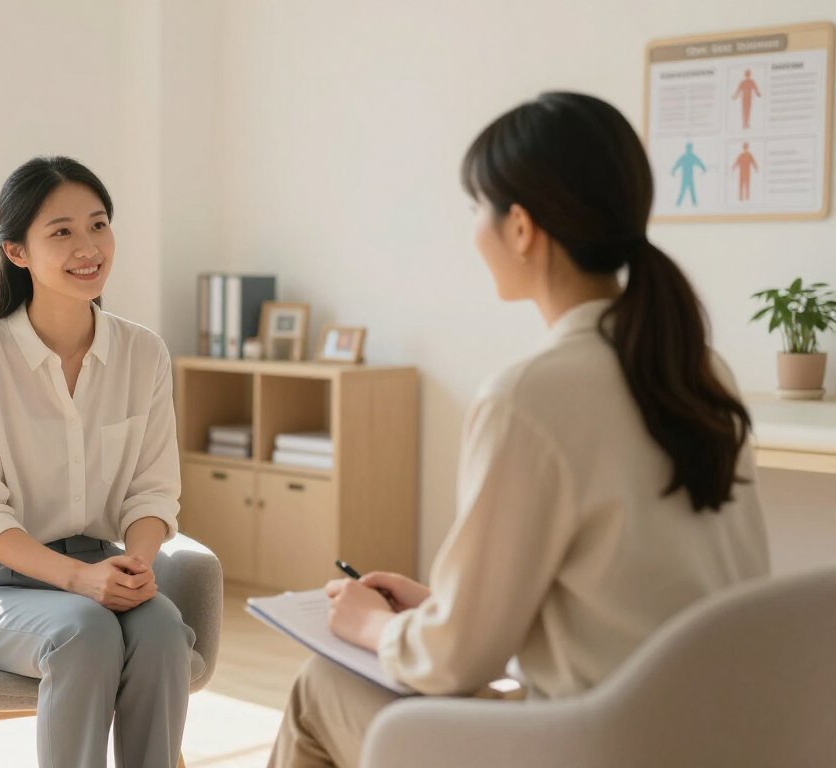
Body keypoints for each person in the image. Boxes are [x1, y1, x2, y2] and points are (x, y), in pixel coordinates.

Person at [268, 91, 770, 768]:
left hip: (590, 749)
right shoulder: (701, 370)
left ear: (523, 228)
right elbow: (622, 601)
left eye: (477, 207)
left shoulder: (529, 396)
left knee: (319, 686)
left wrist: (374, 624)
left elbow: (450, 665)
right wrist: (446, 606)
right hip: (711, 739)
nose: (473, 229)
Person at [0, 156, 194, 768]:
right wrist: (79, 581)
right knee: (85, 633)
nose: (89, 247)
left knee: (161, 632)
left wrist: (133, 565)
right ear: (17, 252)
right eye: (61, 232)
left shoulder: (143, 353)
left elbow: (154, 490)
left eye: (99, 224)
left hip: (103, 569)